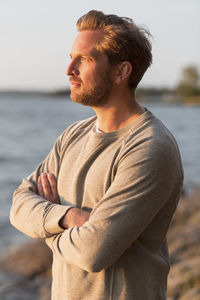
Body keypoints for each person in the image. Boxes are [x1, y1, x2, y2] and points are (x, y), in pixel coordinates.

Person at [10, 10, 183, 300]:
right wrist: (69, 216)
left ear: (121, 72)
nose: (69, 69)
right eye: (71, 56)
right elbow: (18, 205)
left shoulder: (150, 147)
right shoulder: (72, 136)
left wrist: (45, 226)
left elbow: (93, 253)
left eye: (85, 59)